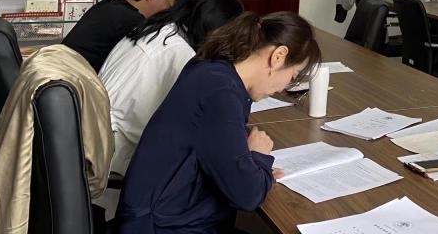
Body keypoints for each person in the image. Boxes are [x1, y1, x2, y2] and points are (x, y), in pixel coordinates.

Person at [116, 12, 322, 234]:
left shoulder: (214, 67)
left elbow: (219, 144)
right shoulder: (220, 92)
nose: (283, 88)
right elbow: (247, 196)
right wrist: (259, 157)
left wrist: (250, 166)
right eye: (293, 75)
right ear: (278, 56)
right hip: (163, 226)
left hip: (164, 214)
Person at [99, 0, 244, 179]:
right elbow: (196, 123)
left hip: (104, 137)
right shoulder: (179, 53)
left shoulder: (160, 28)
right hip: (120, 155)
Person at [65, 0, 183, 71]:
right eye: (169, 5)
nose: (168, 13)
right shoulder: (129, 18)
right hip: (76, 81)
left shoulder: (111, 5)